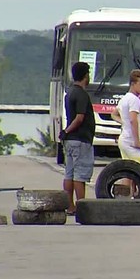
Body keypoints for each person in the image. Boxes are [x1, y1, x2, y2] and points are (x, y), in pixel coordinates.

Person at [61, 62, 96, 215]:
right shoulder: (82, 94)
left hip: (70, 141)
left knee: (69, 173)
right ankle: (81, 208)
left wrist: (66, 134)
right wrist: (67, 130)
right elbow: (79, 118)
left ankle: (70, 206)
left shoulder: (69, 92)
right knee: (79, 175)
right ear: (85, 75)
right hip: (80, 139)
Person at [111, 69, 140, 170]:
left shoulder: (124, 98)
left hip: (124, 140)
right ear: (133, 84)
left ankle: (126, 187)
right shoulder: (134, 99)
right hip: (131, 142)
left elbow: (114, 114)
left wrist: (124, 121)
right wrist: (137, 141)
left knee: (129, 173)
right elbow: (133, 120)